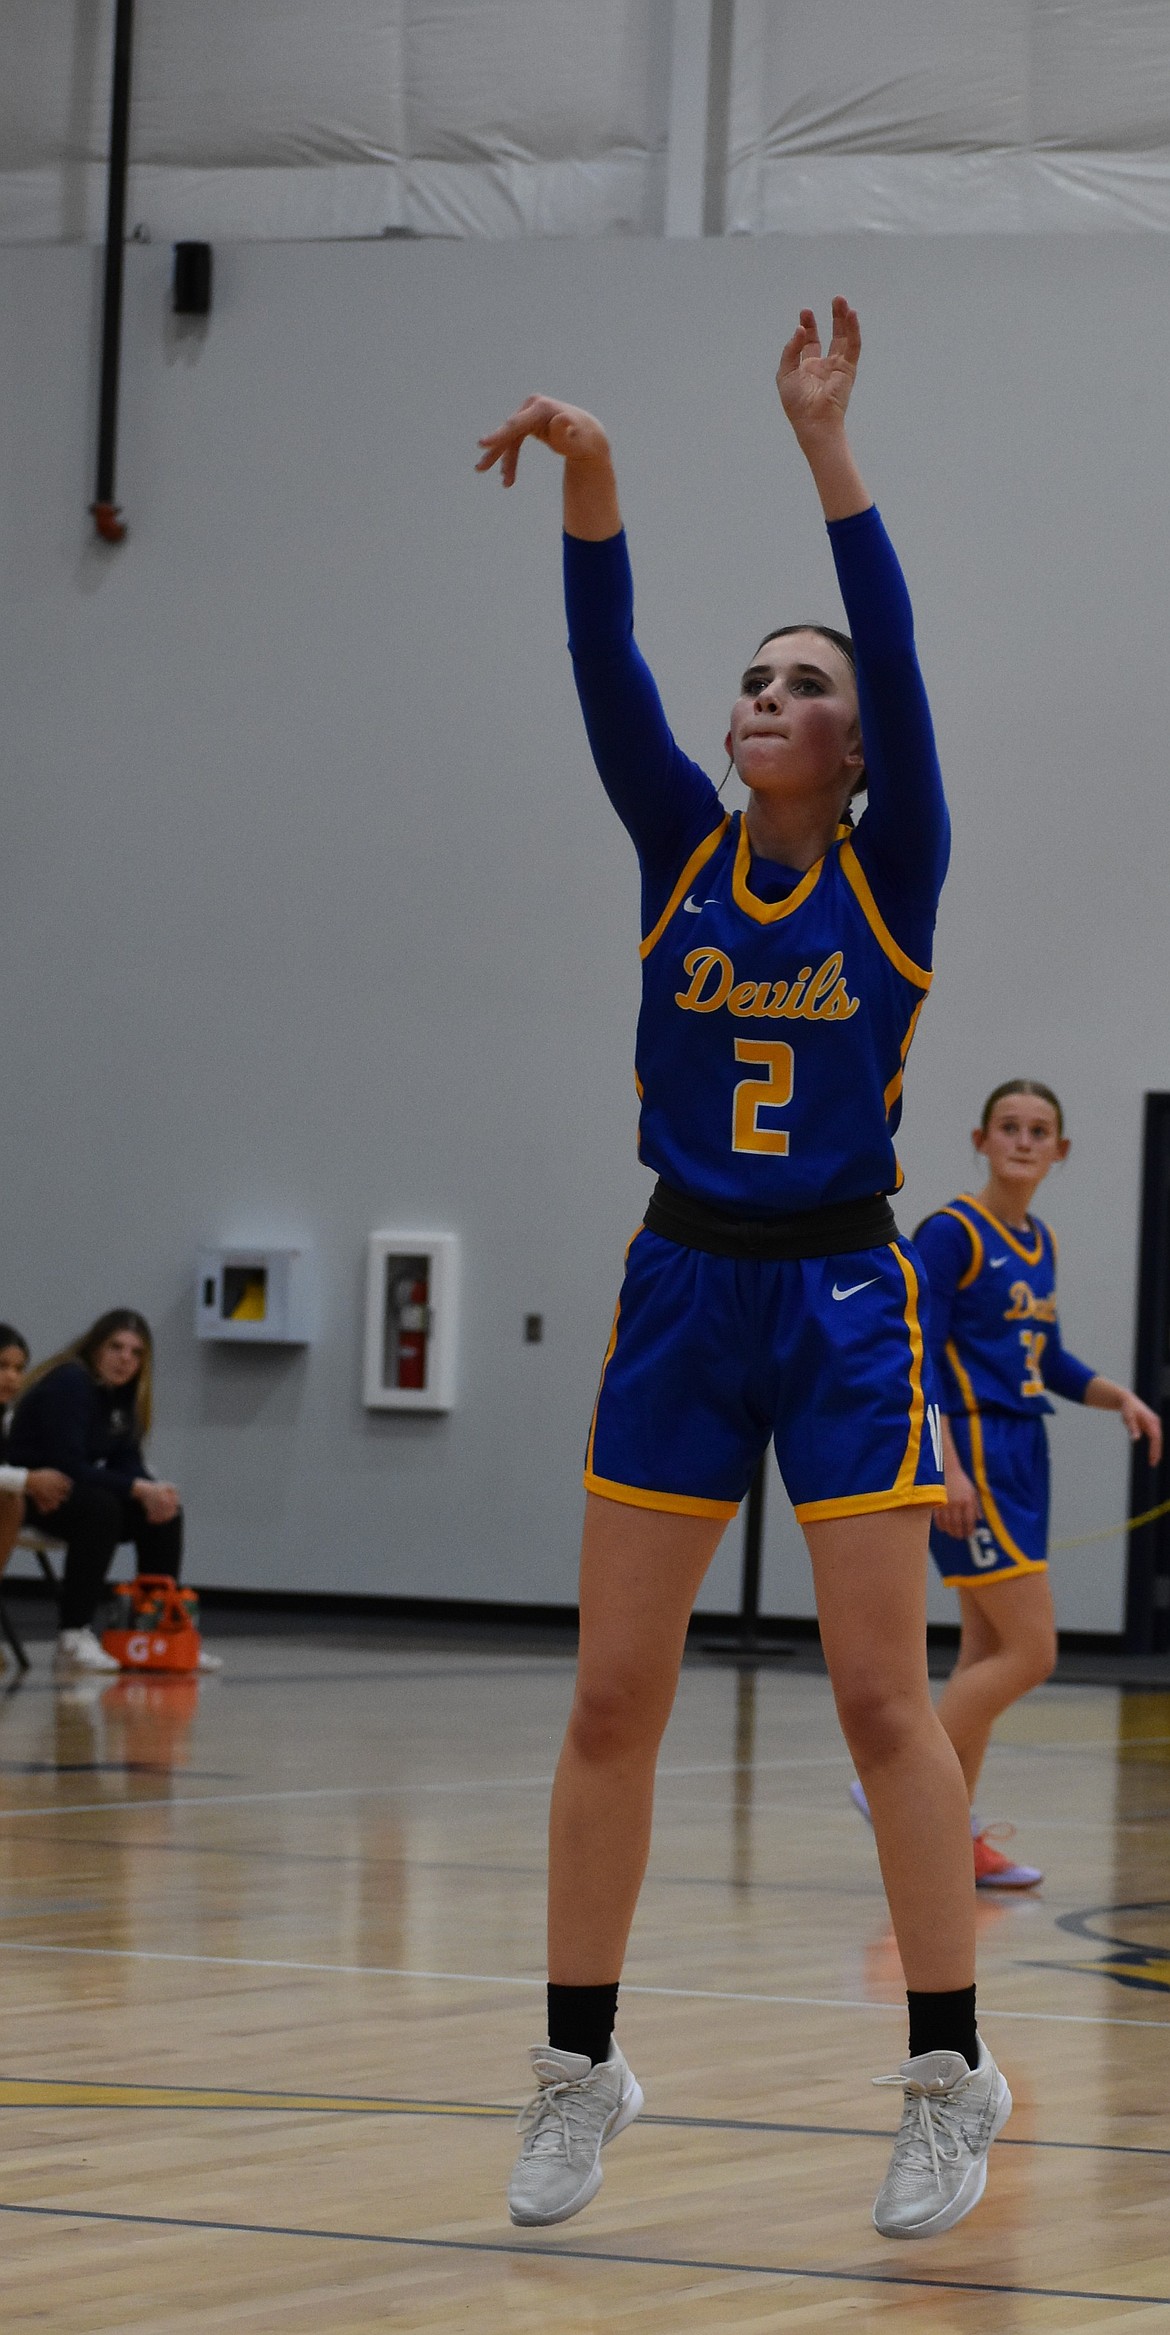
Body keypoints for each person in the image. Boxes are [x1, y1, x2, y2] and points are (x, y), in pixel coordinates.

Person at [476, 299, 1010, 2242]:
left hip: (847, 1298)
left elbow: (902, 655)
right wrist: (597, 476)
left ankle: (947, 2077)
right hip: (684, 1287)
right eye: (755, 677)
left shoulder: (896, 861)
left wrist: (824, 448)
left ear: (854, 745)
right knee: (613, 1698)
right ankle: (579, 2067)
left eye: (805, 682)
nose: (766, 694)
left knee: (883, 1702)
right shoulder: (677, 849)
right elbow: (598, 656)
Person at [908, 1082, 1160, 1885]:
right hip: (973, 1446)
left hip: (1024, 1447)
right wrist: (943, 1464)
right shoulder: (950, 1233)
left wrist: (1118, 1396)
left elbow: (1046, 1358)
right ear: (980, 1139)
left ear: (1062, 1149)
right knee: (1033, 1650)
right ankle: (898, 1780)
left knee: (985, 1652)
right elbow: (915, 1355)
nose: (1023, 1140)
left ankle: (950, 1837)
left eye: (1039, 1130)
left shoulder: (1039, 1240)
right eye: (1009, 1127)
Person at [10, 1308, 218, 1676]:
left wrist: (153, 1492)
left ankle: (156, 1629)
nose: (125, 1359)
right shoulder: (70, 1382)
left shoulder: (123, 1396)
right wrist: (138, 1488)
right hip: (26, 1491)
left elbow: (126, 1462)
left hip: (69, 1490)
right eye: (116, 1347)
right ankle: (73, 1634)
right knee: (102, 1509)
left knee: (163, 1513)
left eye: (136, 1353)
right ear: (95, 1348)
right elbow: (69, 1465)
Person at [0, 1323, 73, 1604]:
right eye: (2, 1366)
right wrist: (28, 1481)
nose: (11, 1377)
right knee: (10, 1499)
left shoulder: (8, 1416)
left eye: (19, 1369)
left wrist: (33, 1487)